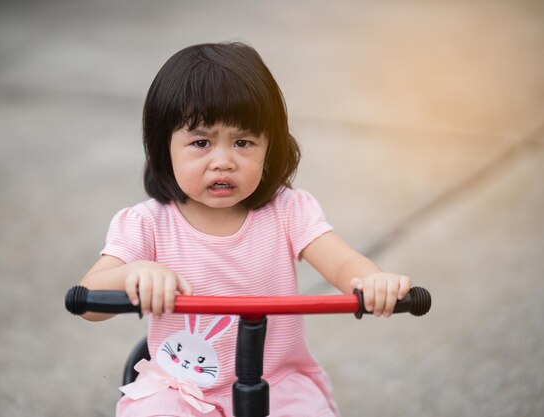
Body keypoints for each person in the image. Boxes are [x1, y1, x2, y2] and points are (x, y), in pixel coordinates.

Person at [79, 42, 412, 417]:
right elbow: (88, 300)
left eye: (243, 143)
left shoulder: (288, 211)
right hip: (182, 387)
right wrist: (132, 275)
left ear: (269, 148)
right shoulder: (149, 223)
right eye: (201, 142)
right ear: (163, 148)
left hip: (279, 383)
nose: (223, 161)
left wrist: (371, 280)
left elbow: (341, 264)